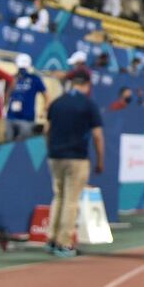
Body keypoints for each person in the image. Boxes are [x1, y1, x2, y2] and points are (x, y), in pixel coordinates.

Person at [45, 71, 104, 257]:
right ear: (87, 84)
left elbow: (47, 130)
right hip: (76, 157)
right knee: (71, 200)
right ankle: (64, 242)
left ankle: (51, 239)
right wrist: (100, 160)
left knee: (59, 197)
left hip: (55, 156)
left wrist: (51, 149)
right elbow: (97, 135)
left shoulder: (57, 102)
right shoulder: (88, 104)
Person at [4, 54, 47, 141]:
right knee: (7, 143)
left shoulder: (34, 79)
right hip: (11, 117)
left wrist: (44, 110)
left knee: (23, 144)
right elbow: (6, 95)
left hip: (27, 119)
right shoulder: (11, 78)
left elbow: (46, 95)